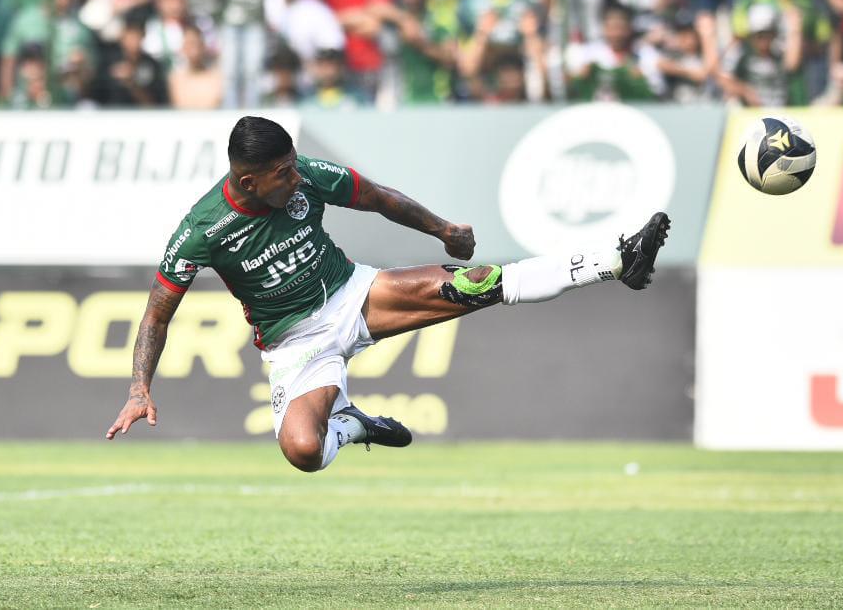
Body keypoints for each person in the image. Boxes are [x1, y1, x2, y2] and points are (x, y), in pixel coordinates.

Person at [105, 116, 672, 474]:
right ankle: (354, 425)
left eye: (294, 167)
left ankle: (616, 260)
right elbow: (158, 312)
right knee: (303, 452)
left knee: (479, 285)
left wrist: (443, 230)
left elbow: (376, 196)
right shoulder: (202, 230)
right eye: (283, 174)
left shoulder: (302, 173)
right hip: (293, 344)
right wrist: (139, 388)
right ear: (249, 182)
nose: (297, 180)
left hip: (354, 295)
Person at [168, 24, 224, 109]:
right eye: (189, 44)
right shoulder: (175, 78)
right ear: (183, 48)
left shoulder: (216, 76)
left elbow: (213, 104)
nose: (193, 50)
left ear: (203, 46)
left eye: (196, 43)